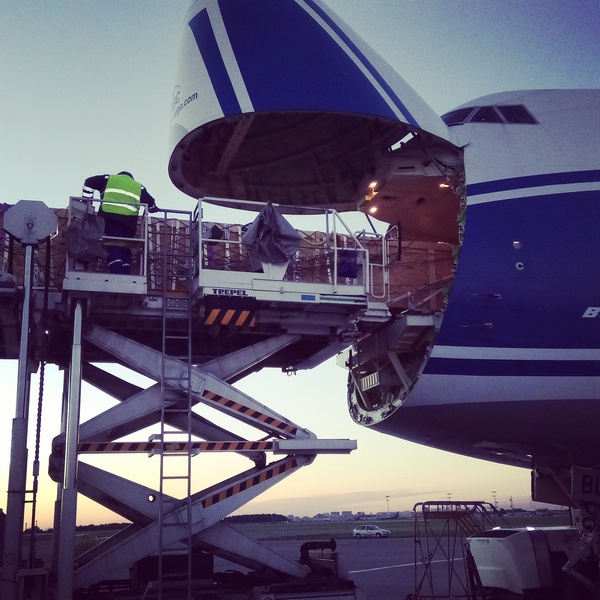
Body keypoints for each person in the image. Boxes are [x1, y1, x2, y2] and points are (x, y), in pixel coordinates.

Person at [82, 171, 159, 274]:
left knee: (113, 243)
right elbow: (151, 204)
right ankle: (125, 271)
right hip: (129, 223)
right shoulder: (138, 187)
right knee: (124, 246)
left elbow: (89, 182)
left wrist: (87, 201)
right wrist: (154, 208)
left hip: (110, 218)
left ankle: (117, 272)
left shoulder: (108, 179)